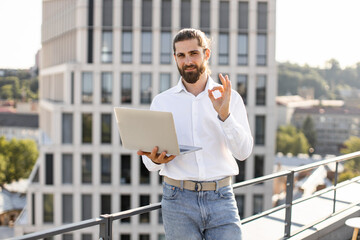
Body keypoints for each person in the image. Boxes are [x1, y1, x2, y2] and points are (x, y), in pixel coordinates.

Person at [137, 28, 253, 240]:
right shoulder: (162, 102)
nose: (187, 61)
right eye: (181, 55)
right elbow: (150, 166)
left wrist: (225, 116)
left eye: (193, 53)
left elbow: (244, 152)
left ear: (206, 54)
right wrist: (154, 159)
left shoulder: (230, 98)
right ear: (175, 58)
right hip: (177, 201)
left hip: (221, 198)